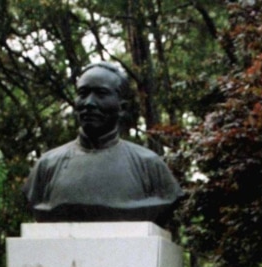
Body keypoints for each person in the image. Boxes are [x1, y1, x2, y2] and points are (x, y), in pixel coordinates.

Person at [23, 62, 183, 226]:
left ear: (122, 107)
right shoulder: (46, 165)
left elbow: (170, 199)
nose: (89, 103)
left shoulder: (149, 165)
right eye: (83, 93)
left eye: (101, 94)